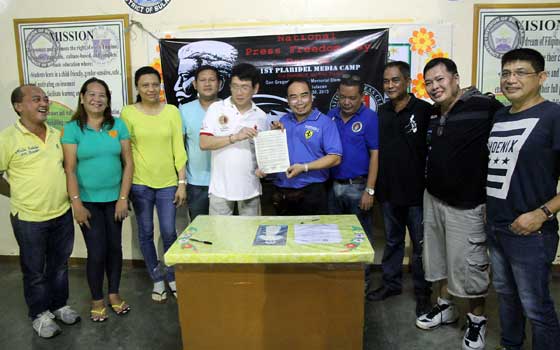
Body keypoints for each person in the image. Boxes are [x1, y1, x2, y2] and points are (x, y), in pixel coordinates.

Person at [415, 58, 502, 350]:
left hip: (467, 205)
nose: (434, 87)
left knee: (470, 265)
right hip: (434, 199)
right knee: (437, 259)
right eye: (429, 82)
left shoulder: (484, 107)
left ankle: (476, 320)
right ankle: (445, 306)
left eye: (440, 79)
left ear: (456, 78)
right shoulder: (433, 113)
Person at [486, 48, 560, 350]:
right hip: (497, 227)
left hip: (531, 232)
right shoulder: (500, 116)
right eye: (506, 73)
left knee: (536, 307)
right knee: (505, 296)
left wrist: (541, 213)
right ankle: (510, 344)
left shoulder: (553, 116)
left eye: (520, 73)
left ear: (541, 77)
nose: (511, 79)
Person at [0, 85, 80, 338]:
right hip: (29, 218)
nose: (44, 103)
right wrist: (18, 194)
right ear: (18, 106)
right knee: (34, 270)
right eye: (36, 99)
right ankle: (39, 315)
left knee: (59, 266)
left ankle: (59, 305)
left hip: (61, 212)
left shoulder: (58, 134)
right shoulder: (7, 139)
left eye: (45, 99)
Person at [61, 78, 133, 322]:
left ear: (107, 99)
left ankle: (113, 294)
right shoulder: (72, 129)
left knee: (115, 248)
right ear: (82, 98)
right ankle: (97, 299)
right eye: (91, 94)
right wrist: (76, 203)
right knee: (96, 251)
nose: (97, 99)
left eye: (102, 95)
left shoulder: (118, 125)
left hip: (115, 200)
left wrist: (123, 198)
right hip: (87, 202)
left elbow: (128, 163)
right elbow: (69, 169)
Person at [367, 61, 432, 317]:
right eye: (386, 81)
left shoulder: (425, 111)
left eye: (395, 80)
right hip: (388, 194)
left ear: (407, 82)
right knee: (393, 242)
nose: (390, 85)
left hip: (417, 194)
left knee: (419, 247)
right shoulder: (379, 113)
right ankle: (391, 284)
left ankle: (423, 294)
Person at [121, 66, 187, 303]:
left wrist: (181, 182)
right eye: (144, 85)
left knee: (170, 232)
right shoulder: (128, 113)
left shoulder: (171, 111)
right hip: (140, 185)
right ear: (137, 88)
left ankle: (172, 276)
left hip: (168, 183)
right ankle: (157, 278)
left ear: (160, 85)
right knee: (146, 233)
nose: (150, 89)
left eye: (154, 84)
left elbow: (178, 149)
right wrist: (125, 189)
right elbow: (125, 152)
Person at [199, 63, 268, 216]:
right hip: (220, 190)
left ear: (255, 89)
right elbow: (204, 143)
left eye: (244, 87)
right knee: (220, 237)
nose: (239, 92)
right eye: (235, 86)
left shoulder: (261, 116)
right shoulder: (216, 108)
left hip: (250, 189)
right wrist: (235, 137)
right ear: (229, 86)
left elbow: (263, 154)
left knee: (250, 236)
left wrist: (264, 168)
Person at [269, 78, 342, 215]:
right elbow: (275, 153)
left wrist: (304, 167)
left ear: (311, 96)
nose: (300, 102)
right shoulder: (283, 120)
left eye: (304, 95)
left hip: (312, 193)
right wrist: (274, 136)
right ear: (288, 100)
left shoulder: (325, 123)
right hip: (282, 192)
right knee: (285, 235)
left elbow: (335, 158)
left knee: (312, 235)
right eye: (294, 97)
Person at [327, 73, 378, 245]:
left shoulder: (370, 117)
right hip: (333, 187)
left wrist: (369, 191)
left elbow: (375, 155)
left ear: (361, 97)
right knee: (335, 235)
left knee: (360, 237)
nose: (347, 102)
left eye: (352, 98)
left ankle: (364, 273)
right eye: (342, 97)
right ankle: (340, 273)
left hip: (358, 187)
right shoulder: (331, 116)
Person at [180, 65, 220, 221]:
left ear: (219, 84)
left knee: (227, 232)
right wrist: (181, 183)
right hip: (196, 184)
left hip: (224, 183)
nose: (207, 84)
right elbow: (180, 149)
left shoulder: (228, 108)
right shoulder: (184, 110)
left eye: (212, 80)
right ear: (195, 84)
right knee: (200, 233)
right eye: (203, 80)